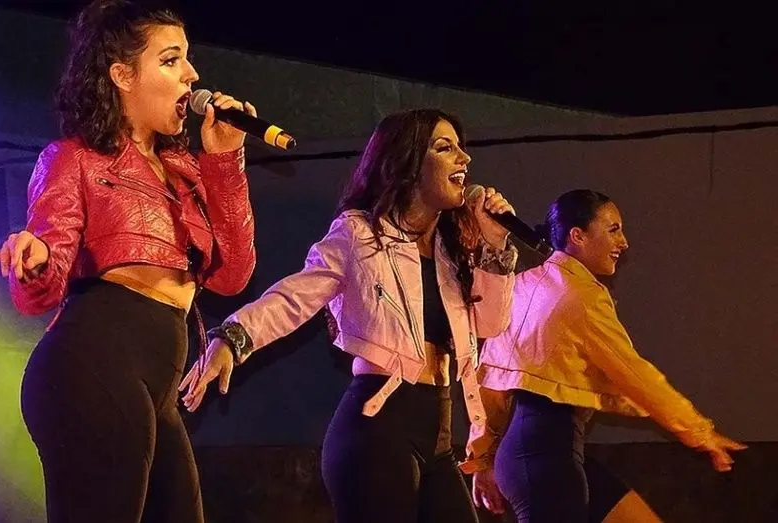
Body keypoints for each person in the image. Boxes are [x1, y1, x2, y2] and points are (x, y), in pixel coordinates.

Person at [0, 1, 259, 521]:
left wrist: (224, 162)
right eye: (171, 60)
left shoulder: (183, 170)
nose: (192, 75)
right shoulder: (74, 158)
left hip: (155, 383)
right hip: (93, 361)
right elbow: (41, 286)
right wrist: (35, 258)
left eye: (187, 58)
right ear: (123, 75)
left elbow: (232, 274)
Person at [180, 108, 518, 522]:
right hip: (377, 430)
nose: (464, 158)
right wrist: (233, 337)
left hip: (439, 435)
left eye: (461, 148)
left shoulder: (451, 254)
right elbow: (295, 297)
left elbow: (491, 325)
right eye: (444, 148)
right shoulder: (360, 233)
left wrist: (495, 248)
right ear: (408, 162)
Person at [471, 189, 747, 522]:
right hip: (547, 458)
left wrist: (485, 458)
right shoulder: (581, 296)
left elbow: (488, 385)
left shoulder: (520, 286)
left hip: (531, 454)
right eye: (613, 229)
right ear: (578, 236)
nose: (624, 242)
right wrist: (699, 431)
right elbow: (637, 377)